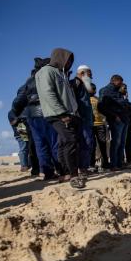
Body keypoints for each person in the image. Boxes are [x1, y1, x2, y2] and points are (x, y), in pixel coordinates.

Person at [35, 48, 85, 189]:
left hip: (69, 114)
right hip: (58, 114)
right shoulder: (46, 71)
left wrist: (74, 113)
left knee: (64, 143)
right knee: (70, 141)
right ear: (60, 57)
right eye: (68, 60)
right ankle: (74, 175)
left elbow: (68, 96)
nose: (69, 63)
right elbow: (48, 93)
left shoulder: (60, 74)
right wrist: (62, 114)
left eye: (71, 61)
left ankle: (65, 173)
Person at [11, 57, 62, 180]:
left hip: (32, 116)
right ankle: (61, 170)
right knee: (54, 143)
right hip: (48, 112)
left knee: (40, 145)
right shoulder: (50, 76)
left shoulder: (28, 82)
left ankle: (46, 172)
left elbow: (18, 101)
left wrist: (17, 112)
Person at [99, 75, 129, 170]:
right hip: (116, 120)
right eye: (120, 81)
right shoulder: (105, 90)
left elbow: (122, 105)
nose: (121, 84)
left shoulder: (118, 91)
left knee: (122, 143)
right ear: (114, 81)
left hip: (124, 119)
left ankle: (120, 163)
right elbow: (101, 107)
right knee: (116, 142)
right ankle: (114, 165)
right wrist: (113, 116)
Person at [71, 65, 94, 175]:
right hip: (80, 120)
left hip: (87, 120)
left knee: (88, 143)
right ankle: (82, 168)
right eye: (89, 74)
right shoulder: (75, 83)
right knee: (85, 143)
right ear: (82, 73)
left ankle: (84, 167)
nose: (91, 77)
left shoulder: (84, 85)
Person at [89, 83, 110, 170]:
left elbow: (103, 111)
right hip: (90, 125)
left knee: (103, 144)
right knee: (91, 145)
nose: (93, 90)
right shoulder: (84, 99)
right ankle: (91, 164)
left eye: (94, 89)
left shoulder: (98, 99)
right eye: (91, 89)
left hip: (100, 124)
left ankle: (105, 163)